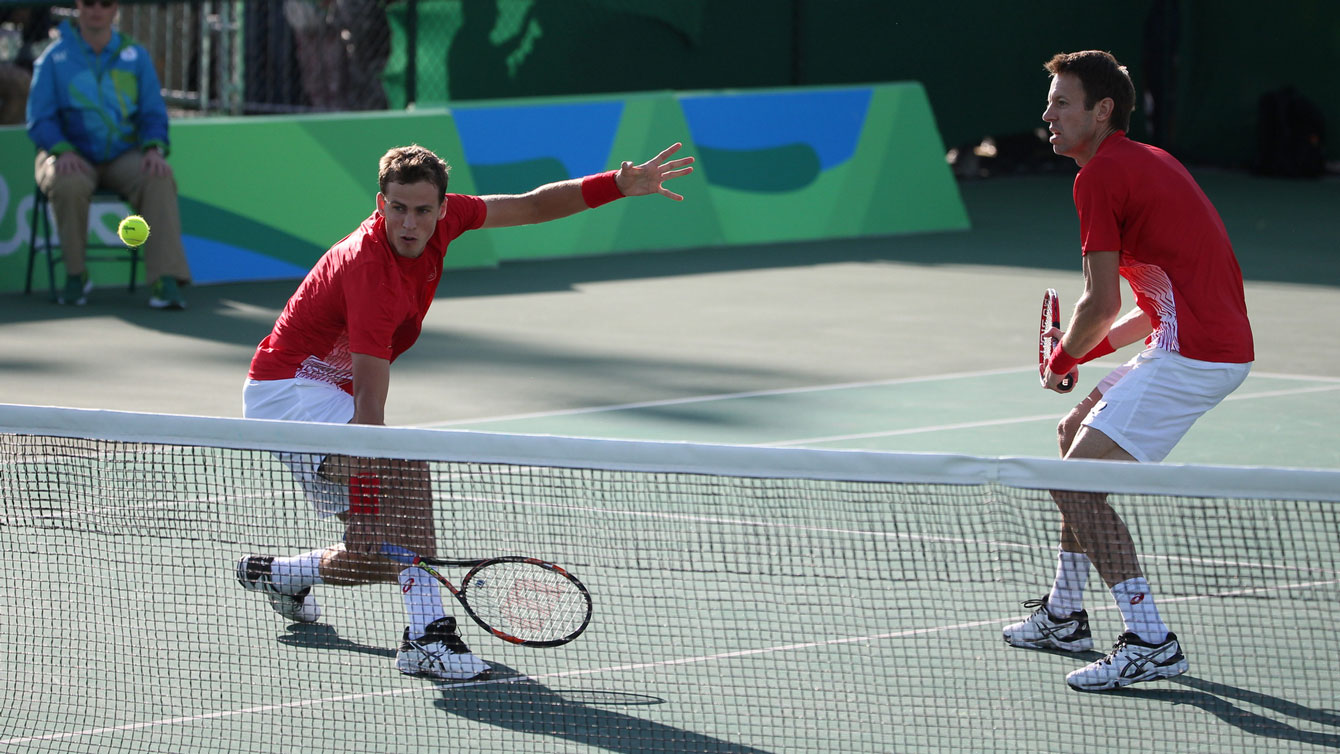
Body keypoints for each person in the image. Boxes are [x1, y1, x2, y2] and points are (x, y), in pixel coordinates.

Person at [236, 142, 694, 681]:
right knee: (406, 464)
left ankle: (278, 573)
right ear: (380, 203)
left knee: (372, 556)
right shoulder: (370, 273)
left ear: (443, 209)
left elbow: (531, 205)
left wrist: (614, 186)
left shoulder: (449, 221)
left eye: (423, 210)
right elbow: (370, 413)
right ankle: (427, 636)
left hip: (328, 393)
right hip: (289, 393)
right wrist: (367, 489)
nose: (409, 222)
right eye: (398, 209)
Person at [1002, 50, 1253, 692]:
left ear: (1102, 110)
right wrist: (1081, 358)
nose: (1047, 114)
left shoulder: (1100, 177)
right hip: (1191, 342)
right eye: (1049, 101)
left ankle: (1149, 639)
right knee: (1069, 440)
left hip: (1196, 356)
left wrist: (1062, 358)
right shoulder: (1145, 163)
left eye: (1062, 103)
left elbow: (1100, 301)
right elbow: (1148, 311)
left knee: (1076, 484)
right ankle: (1064, 613)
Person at [26, 0, 192, 309]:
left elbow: (154, 114)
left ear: (116, 8)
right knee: (68, 182)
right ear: (78, 6)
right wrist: (61, 151)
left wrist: (154, 148)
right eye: (89, 2)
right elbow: (40, 119)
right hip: (68, 155)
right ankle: (76, 275)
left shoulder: (136, 56)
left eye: (105, 3)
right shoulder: (53, 58)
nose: (96, 9)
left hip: (122, 156)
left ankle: (165, 279)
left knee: (158, 177)